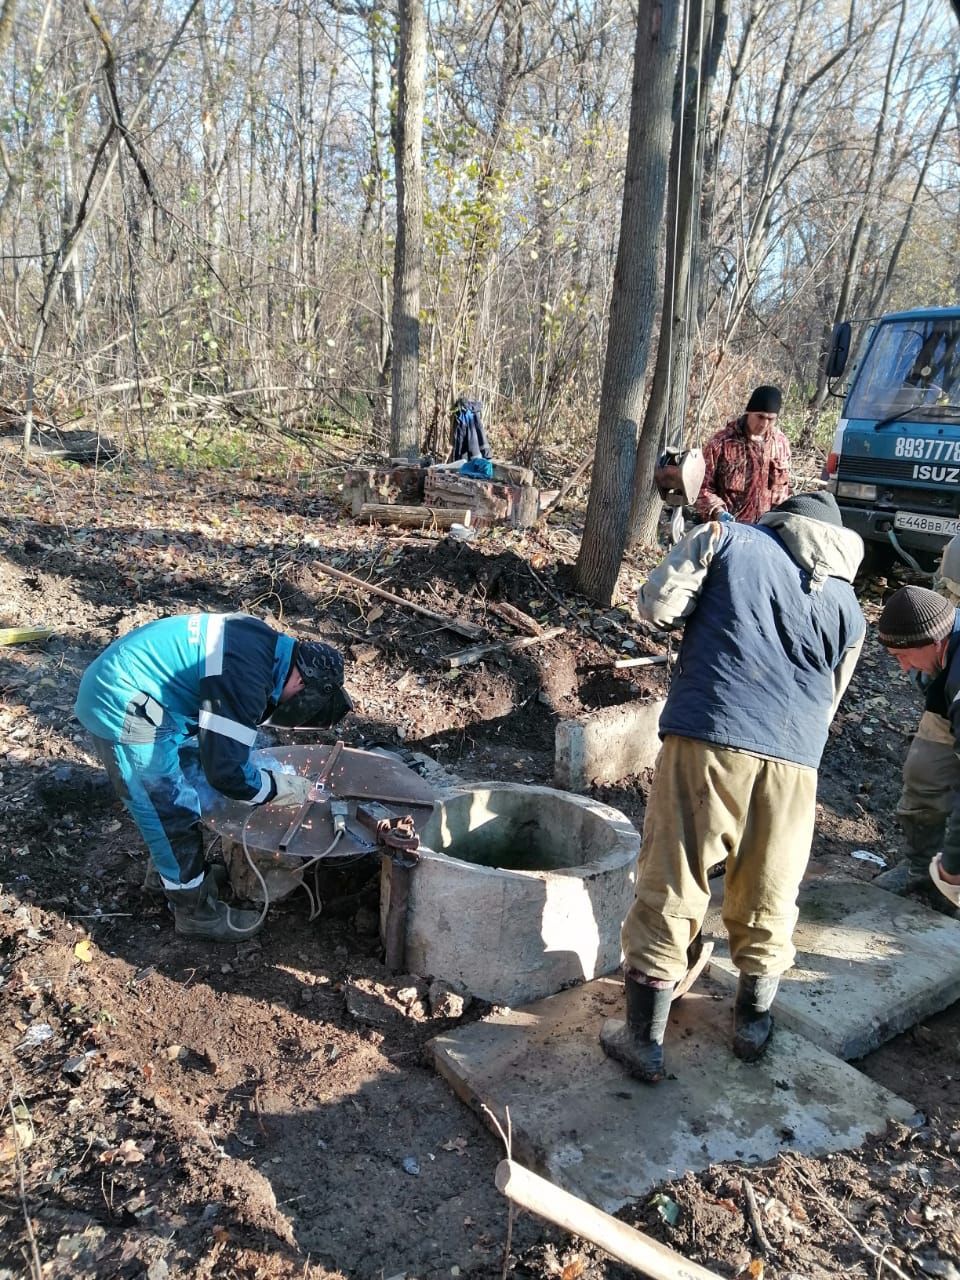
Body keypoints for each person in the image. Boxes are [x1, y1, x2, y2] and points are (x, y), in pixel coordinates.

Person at [601, 491, 865, 1082]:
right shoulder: (851, 606)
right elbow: (832, 698)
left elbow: (657, 605)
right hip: (797, 760)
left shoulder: (726, 538)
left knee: (675, 873)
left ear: (780, 520)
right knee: (771, 882)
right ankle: (752, 1022)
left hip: (711, 732)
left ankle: (642, 1038)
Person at [75, 613, 349, 942]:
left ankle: (172, 875)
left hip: (146, 691)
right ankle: (194, 912)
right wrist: (279, 789)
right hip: (123, 703)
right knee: (170, 808)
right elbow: (228, 774)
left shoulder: (265, 646)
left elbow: (219, 740)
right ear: (302, 683)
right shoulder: (247, 678)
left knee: (189, 772)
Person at [876, 585, 960, 910]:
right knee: (924, 769)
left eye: (904, 657)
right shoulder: (942, 633)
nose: (904, 668)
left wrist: (952, 867)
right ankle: (920, 869)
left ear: (936, 642)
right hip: (947, 693)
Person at [696, 385, 791, 525]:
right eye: (760, 417)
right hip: (730, 530)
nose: (764, 424)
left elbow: (785, 490)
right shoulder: (722, 443)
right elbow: (701, 488)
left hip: (767, 531)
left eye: (770, 419)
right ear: (749, 412)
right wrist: (717, 511)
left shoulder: (781, 444)